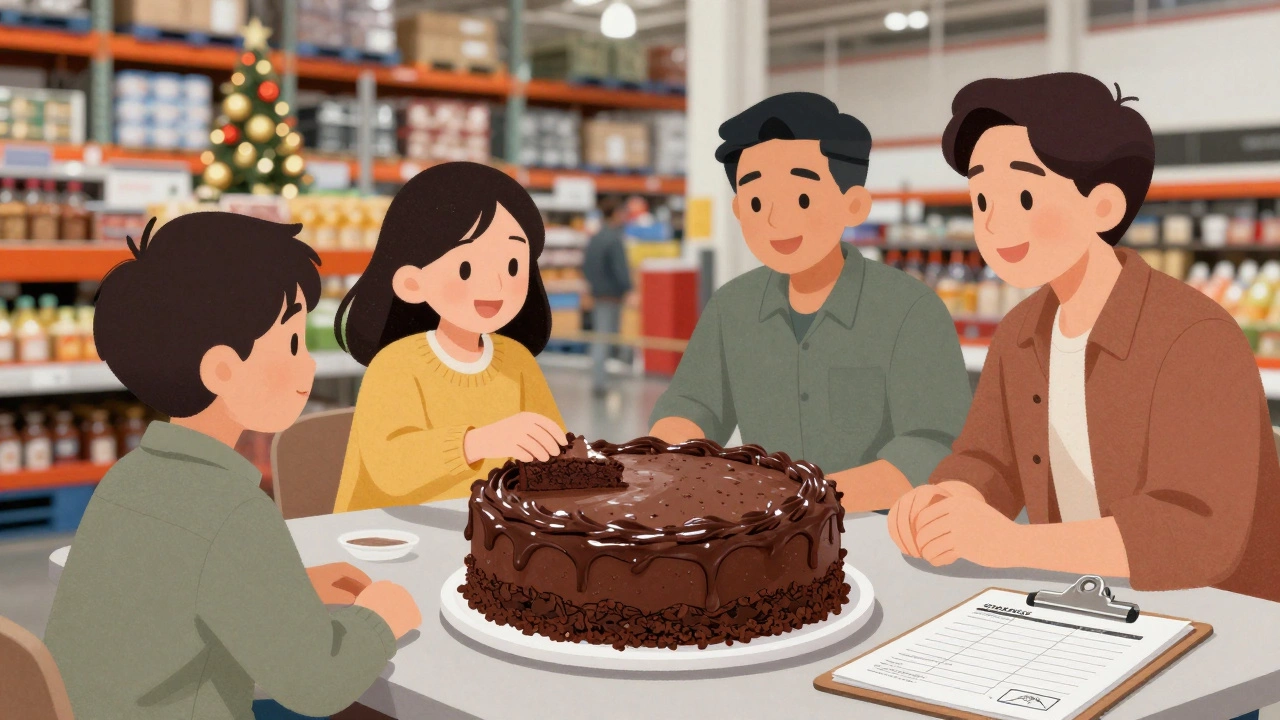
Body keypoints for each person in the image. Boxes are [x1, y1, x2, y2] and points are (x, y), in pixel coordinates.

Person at [888, 73, 1280, 608]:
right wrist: (948, 503)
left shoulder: (1195, 338)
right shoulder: (1022, 331)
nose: (995, 223)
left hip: (1213, 619)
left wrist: (1008, 543)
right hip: (1080, 602)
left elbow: (1195, 534)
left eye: (1023, 195)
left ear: (1104, 207)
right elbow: (988, 459)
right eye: (981, 199)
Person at [43, 212, 421, 720]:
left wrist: (288, 587)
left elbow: (177, 589)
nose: (307, 363)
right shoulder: (234, 510)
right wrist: (381, 619)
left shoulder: (129, 477)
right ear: (221, 368)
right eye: (291, 342)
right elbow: (316, 685)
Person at [648, 92, 973, 512]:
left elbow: (933, 443)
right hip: (766, 531)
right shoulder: (732, 307)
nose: (776, 220)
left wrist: (808, 498)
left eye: (802, 199)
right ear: (738, 211)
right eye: (757, 202)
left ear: (853, 204)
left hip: (879, 534)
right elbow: (694, 403)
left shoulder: (909, 311)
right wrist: (671, 454)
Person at [333, 162, 566, 512]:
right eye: (467, 268)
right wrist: (479, 441)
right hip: (389, 536)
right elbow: (390, 467)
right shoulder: (395, 365)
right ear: (412, 282)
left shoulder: (516, 362)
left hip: (488, 531)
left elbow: (555, 451)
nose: (496, 285)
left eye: (512, 265)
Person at [583, 196, 633, 395]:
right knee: (605, 338)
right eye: (622, 213)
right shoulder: (614, 239)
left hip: (598, 295)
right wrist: (628, 288)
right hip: (612, 296)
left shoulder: (595, 238)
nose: (624, 217)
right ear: (615, 214)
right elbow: (621, 269)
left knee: (602, 336)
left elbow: (586, 267)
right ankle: (600, 383)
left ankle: (602, 378)